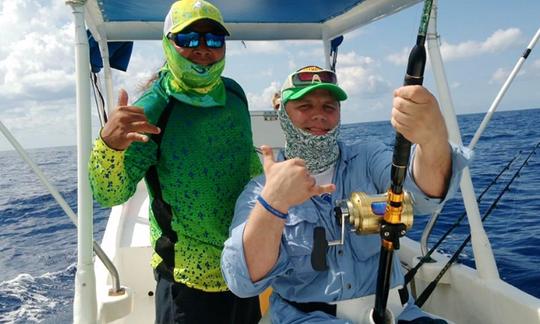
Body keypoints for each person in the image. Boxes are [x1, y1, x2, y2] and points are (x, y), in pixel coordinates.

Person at [221, 65, 470, 323]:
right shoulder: (259, 191)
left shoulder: (368, 156)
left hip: (397, 313)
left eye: (329, 107)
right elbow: (242, 281)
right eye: (304, 106)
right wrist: (274, 203)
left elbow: (421, 194)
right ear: (282, 114)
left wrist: (433, 140)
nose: (319, 115)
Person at [88, 1, 262, 323]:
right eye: (189, 39)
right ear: (168, 42)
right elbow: (109, 194)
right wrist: (109, 145)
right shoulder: (152, 109)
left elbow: (245, 158)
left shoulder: (234, 93)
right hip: (186, 280)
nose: (203, 48)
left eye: (213, 39)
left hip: (243, 263)